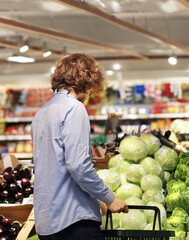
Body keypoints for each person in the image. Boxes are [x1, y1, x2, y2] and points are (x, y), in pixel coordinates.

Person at [31, 53, 128, 240]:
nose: (90, 94)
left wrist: (95, 197)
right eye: (91, 89)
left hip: (46, 222)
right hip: (73, 221)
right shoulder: (74, 108)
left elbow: (52, 168)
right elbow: (78, 166)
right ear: (85, 80)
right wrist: (110, 198)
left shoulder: (41, 113)